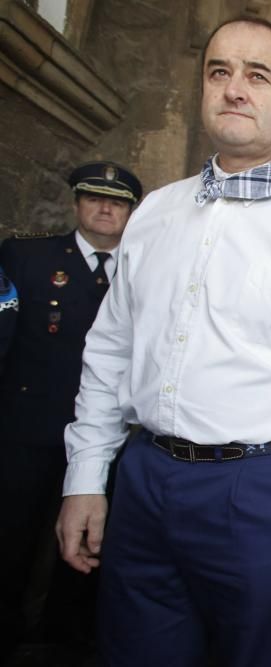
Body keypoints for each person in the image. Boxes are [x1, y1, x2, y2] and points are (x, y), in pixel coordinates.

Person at [54, 16, 271, 667]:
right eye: (219, 72)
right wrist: (86, 477)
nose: (234, 88)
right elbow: (110, 352)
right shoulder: (156, 211)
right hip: (146, 479)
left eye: (257, 75)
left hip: (265, 492)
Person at [0, 161, 141, 656]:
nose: (106, 208)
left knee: (87, 554)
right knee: (11, 543)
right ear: (76, 203)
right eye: (94, 198)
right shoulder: (26, 257)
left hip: (110, 441)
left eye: (118, 201)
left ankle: (65, 643)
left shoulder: (146, 271)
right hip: (29, 432)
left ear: (132, 211)